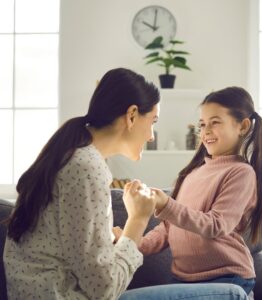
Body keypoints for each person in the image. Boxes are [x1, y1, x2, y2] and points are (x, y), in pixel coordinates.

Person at [3, 68, 248, 300]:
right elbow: (104, 288)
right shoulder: (87, 168)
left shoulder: (74, 158)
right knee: (234, 295)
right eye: (152, 121)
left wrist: (121, 238)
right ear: (132, 115)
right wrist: (137, 220)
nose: (151, 135)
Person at [136, 86, 262, 297]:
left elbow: (217, 225)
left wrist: (167, 205)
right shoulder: (193, 173)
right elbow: (168, 227)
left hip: (226, 277)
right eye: (202, 124)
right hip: (183, 279)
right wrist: (133, 242)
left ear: (243, 126)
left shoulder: (241, 172)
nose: (206, 131)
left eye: (215, 122)